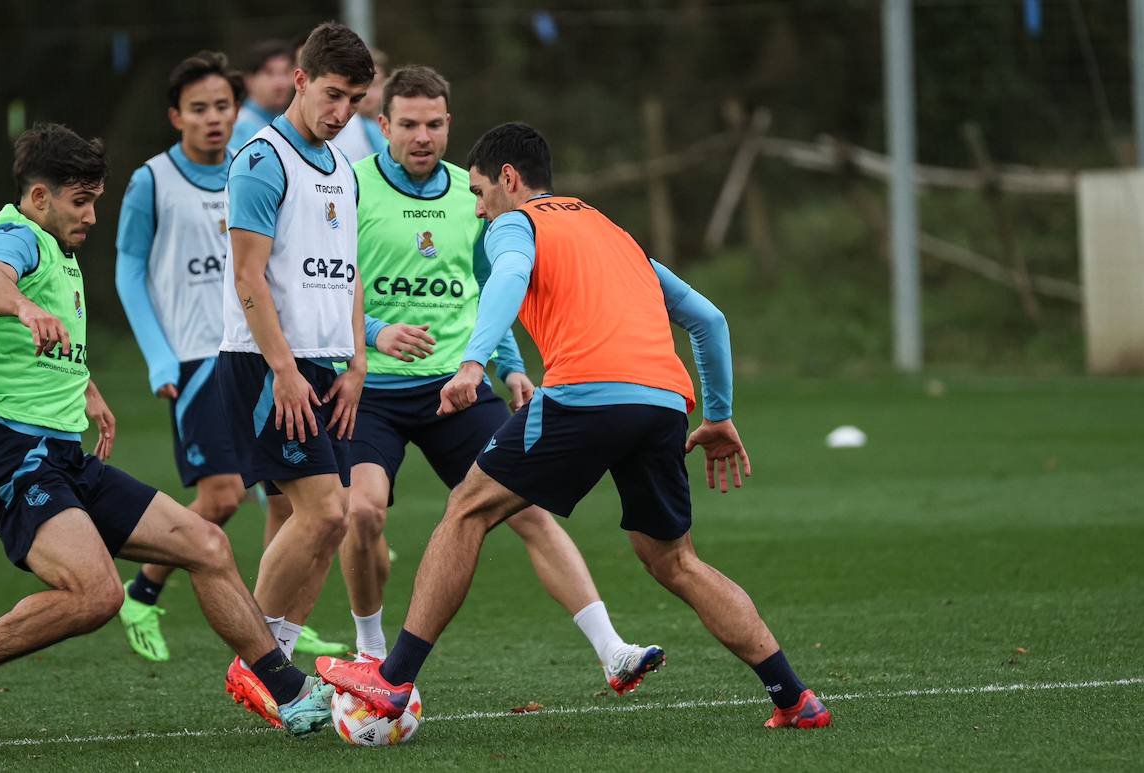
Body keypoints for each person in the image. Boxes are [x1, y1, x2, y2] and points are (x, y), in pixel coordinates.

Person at [319, 122, 832, 731]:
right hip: (663, 403)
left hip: (586, 397)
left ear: (509, 180)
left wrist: (472, 363)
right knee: (674, 560)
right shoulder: (614, 232)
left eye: (480, 191)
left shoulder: (517, 222)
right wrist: (718, 415)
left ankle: (394, 677)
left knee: (468, 510)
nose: (477, 207)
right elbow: (710, 320)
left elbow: (508, 276)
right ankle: (794, 698)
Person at [0, 124, 334, 757]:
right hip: (14, 463)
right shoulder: (13, 236)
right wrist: (23, 308)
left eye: (97, 199)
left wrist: (86, 390)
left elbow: (45, 350)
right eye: (81, 201)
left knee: (208, 544)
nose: (92, 215)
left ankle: (289, 692)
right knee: (97, 595)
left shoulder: (58, 253)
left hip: (63, 458)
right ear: (40, 196)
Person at [335, 65, 663, 693]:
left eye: (433, 124)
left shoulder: (476, 193)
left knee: (529, 512)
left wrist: (511, 367)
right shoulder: (349, 189)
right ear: (383, 126)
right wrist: (376, 333)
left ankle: (612, 650)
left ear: (449, 124)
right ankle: (370, 648)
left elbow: (495, 290)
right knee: (363, 514)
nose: (422, 136)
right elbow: (327, 285)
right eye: (408, 124)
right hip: (372, 391)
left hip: (458, 391)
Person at [216, 22, 373, 722]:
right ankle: (259, 664)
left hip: (325, 364)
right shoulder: (261, 158)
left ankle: (268, 662)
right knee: (328, 510)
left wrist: (357, 360)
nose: (341, 112)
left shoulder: (343, 167)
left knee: (328, 521)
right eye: (333, 94)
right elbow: (248, 274)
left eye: (355, 100)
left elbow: (349, 276)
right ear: (301, 81)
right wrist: (284, 370)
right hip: (263, 363)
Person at [112, 51, 249, 662]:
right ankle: (142, 589)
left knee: (302, 496)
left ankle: (281, 623)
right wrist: (158, 357)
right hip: (196, 361)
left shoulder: (253, 171)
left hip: (256, 353)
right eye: (199, 109)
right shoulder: (153, 180)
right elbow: (129, 269)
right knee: (222, 497)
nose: (212, 119)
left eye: (222, 106)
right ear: (176, 116)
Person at [228, 40, 294, 155]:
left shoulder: (290, 124)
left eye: (286, 72)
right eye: (269, 73)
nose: (281, 83)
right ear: (249, 80)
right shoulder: (237, 127)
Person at [332, 49, 388, 163]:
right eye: (360, 85)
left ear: (385, 84)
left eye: (374, 85)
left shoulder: (395, 126)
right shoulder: (339, 127)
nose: (367, 94)